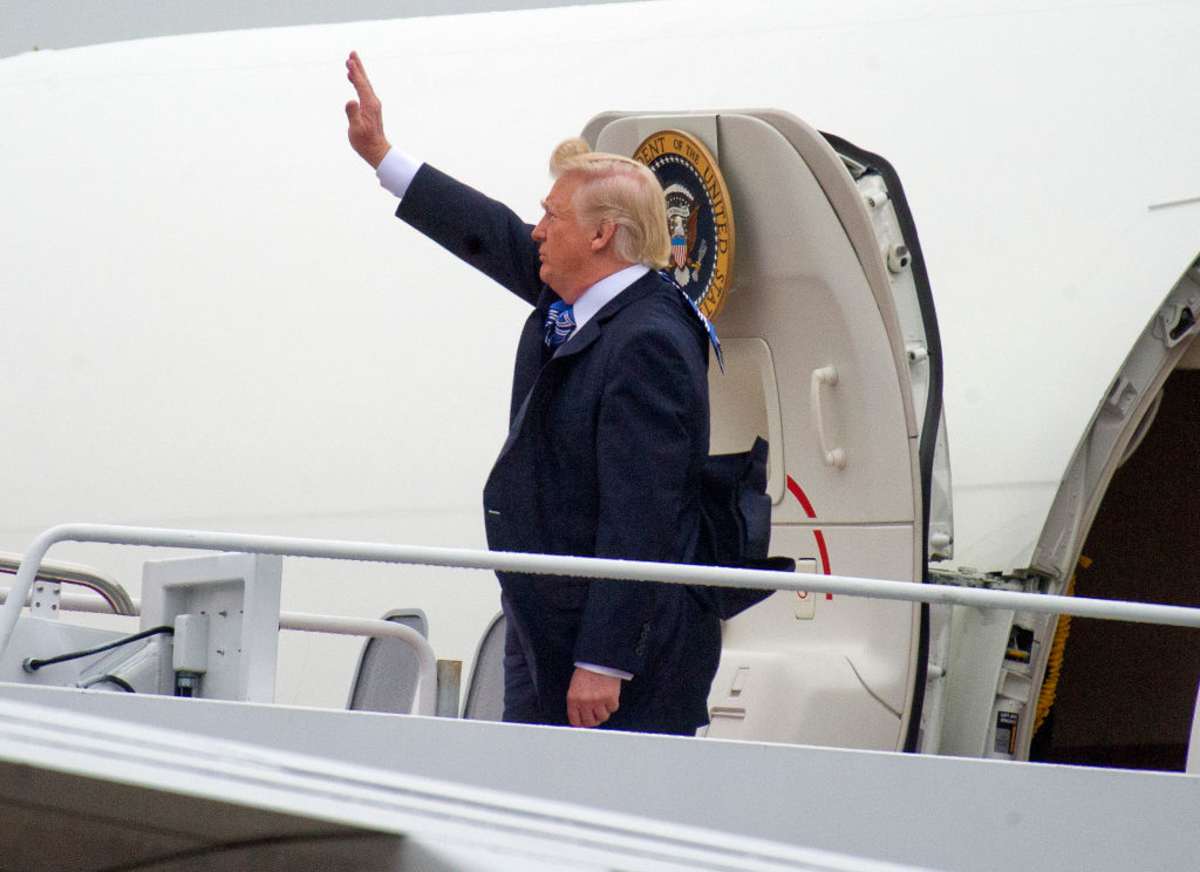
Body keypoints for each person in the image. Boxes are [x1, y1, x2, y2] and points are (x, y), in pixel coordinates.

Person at [344, 51, 720, 735]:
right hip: (546, 628)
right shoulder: (581, 297)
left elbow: (644, 513)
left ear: (602, 234)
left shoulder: (649, 340)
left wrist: (605, 662)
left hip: (615, 660)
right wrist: (383, 157)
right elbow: (492, 234)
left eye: (550, 215)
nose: (536, 229)